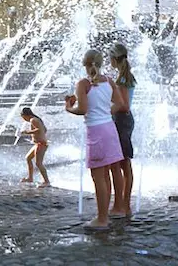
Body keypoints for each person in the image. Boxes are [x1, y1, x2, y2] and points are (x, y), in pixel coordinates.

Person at [65, 49, 127, 230]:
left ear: (85, 64)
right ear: (101, 63)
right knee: (107, 174)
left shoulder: (83, 84)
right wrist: (105, 112)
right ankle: (112, 211)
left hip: (96, 132)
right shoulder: (108, 81)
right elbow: (120, 104)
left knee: (98, 177)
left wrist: (69, 108)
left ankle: (101, 219)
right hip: (110, 129)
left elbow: (82, 109)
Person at [108, 43, 136, 218]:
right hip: (124, 121)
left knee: (122, 163)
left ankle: (123, 204)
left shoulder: (123, 80)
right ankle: (123, 203)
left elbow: (124, 106)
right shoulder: (124, 77)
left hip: (122, 121)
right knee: (123, 162)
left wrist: (107, 108)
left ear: (113, 58)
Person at [20, 107, 51, 188]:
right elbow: (44, 129)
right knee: (28, 158)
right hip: (38, 144)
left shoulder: (33, 120)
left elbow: (39, 130)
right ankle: (30, 178)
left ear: (25, 115)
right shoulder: (36, 119)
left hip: (41, 144)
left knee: (38, 163)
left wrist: (27, 132)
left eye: (23, 117)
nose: (23, 119)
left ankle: (46, 181)